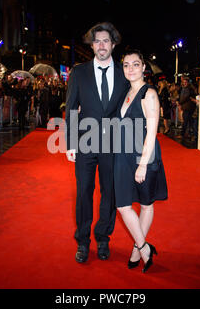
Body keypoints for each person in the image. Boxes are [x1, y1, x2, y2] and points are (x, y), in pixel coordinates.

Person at [65, 22, 129, 263]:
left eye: (106, 41)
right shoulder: (79, 72)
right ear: (92, 45)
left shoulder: (124, 72)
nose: (102, 45)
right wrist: (70, 143)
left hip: (113, 143)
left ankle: (103, 238)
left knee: (109, 193)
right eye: (97, 41)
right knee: (83, 192)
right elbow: (71, 108)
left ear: (113, 44)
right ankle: (82, 241)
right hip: (84, 142)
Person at [114, 50, 168, 273]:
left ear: (144, 67)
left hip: (144, 155)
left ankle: (137, 249)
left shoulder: (150, 94)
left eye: (135, 64)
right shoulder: (126, 92)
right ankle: (145, 247)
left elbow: (151, 132)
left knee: (146, 203)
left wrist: (143, 163)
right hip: (122, 155)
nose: (130, 69)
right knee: (123, 205)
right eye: (126, 65)